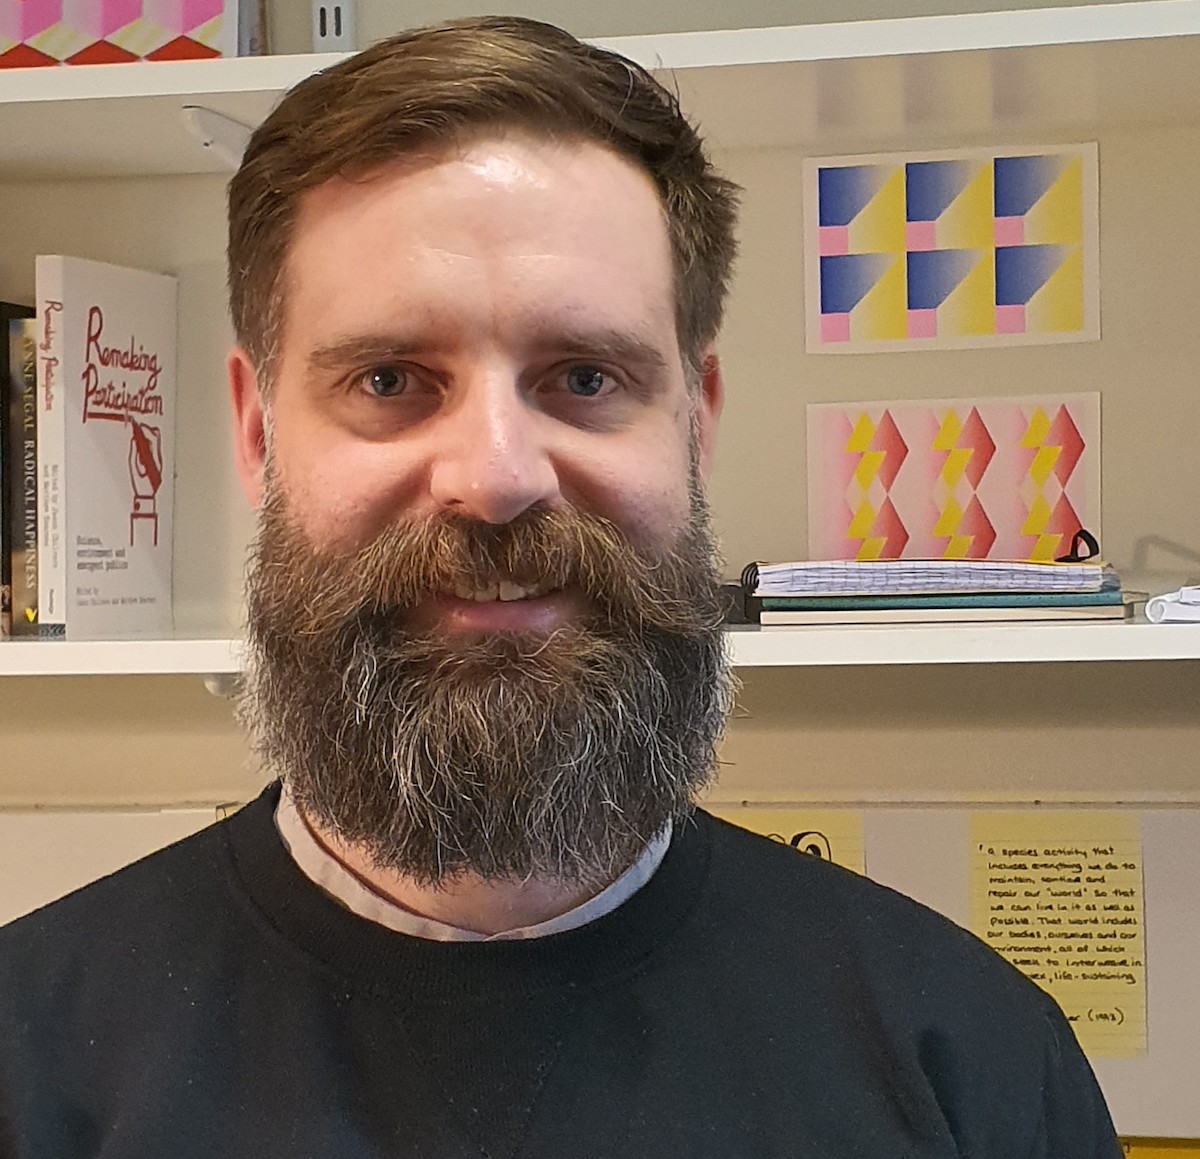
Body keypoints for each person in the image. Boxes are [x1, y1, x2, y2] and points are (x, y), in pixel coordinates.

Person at [0, 17, 1121, 1158]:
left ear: (698, 422)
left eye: (585, 376)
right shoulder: (26, 1062)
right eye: (390, 379)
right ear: (255, 431)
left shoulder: (975, 1066)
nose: (494, 478)